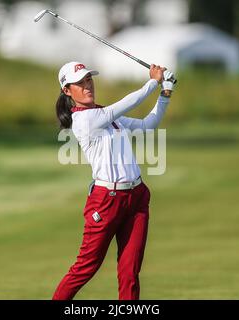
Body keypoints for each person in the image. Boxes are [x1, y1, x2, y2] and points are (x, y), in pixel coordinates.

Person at [52, 61, 175, 300]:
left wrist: (165, 93)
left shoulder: (106, 116)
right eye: (80, 83)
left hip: (136, 197)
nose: (87, 86)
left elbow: (148, 126)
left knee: (130, 271)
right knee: (86, 268)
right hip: (106, 201)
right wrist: (153, 80)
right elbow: (130, 101)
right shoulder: (85, 120)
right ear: (67, 91)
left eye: (89, 80)